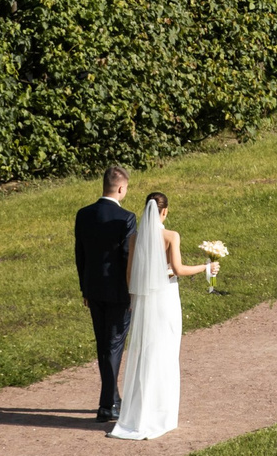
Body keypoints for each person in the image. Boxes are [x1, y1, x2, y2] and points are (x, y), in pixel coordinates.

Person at [109, 191, 192, 441]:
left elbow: (129, 274)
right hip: (166, 299)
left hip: (144, 301)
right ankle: (161, 413)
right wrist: (207, 267)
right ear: (164, 211)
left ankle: (140, 412)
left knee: (145, 352)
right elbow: (177, 269)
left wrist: (135, 300)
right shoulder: (170, 235)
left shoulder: (135, 237)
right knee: (165, 351)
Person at [73, 166, 136, 423]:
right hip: (119, 291)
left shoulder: (84, 214)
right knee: (114, 345)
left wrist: (84, 288)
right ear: (121, 188)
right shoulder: (126, 218)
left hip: (94, 289)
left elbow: (81, 254)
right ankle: (107, 403)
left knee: (104, 345)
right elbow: (127, 258)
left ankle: (112, 397)